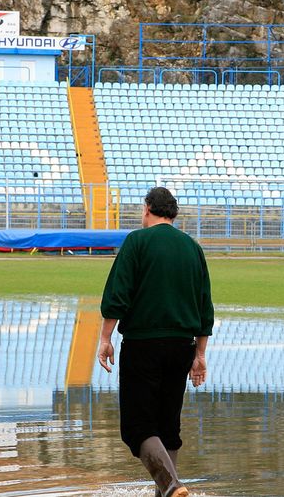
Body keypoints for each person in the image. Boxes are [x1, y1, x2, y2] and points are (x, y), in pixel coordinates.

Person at [98, 187, 214, 497]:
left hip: (143, 344)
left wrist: (105, 338)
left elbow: (118, 295)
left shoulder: (137, 241)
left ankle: (171, 485)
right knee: (168, 426)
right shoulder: (192, 248)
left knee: (137, 428)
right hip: (182, 346)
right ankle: (166, 493)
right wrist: (200, 354)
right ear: (173, 214)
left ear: (148, 209)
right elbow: (205, 305)